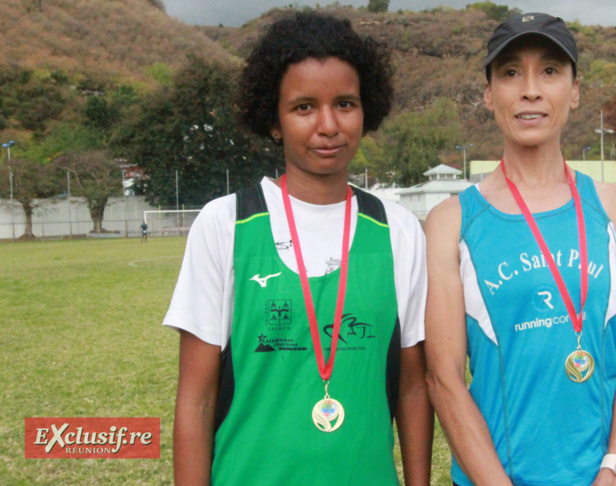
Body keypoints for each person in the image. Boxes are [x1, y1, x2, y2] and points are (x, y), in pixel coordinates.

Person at [164, 12, 432, 485]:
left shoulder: (400, 230)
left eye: (345, 104)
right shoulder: (226, 224)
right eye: (304, 107)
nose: (328, 125)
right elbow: (196, 400)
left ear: (367, 111)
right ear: (273, 119)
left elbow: (412, 389)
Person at [424, 13, 616, 486]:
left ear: (574, 91)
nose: (530, 90)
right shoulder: (452, 222)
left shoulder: (615, 208)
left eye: (550, 71)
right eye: (510, 73)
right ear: (489, 94)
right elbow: (443, 379)